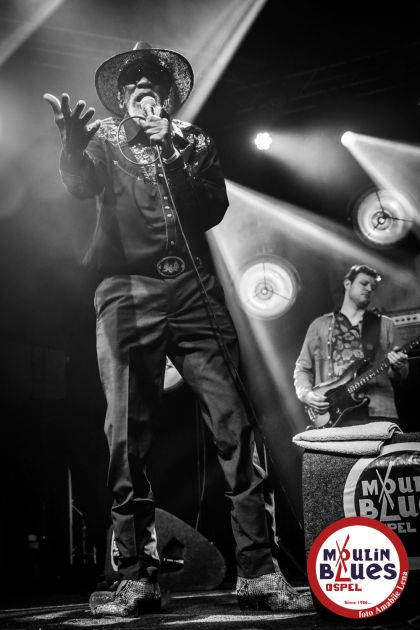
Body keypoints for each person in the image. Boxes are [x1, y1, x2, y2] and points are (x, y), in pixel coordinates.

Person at [44, 42, 313, 617]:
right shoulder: (103, 139)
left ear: (166, 96)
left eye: (153, 81)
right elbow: (82, 184)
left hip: (193, 291)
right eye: (133, 82)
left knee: (235, 424)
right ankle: (136, 576)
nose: (143, 86)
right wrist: (70, 148)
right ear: (121, 97)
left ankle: (259, 571)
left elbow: (211, 209)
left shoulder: (194, 142)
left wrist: (172, 149)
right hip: (126, 289)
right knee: (126, 431)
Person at [294, 264, 409, 428]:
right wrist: (306, 394)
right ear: (348, 283)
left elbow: (401, 377)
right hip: (331, 415)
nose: (369, 289)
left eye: (373, 287)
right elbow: (302, 368)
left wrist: (399, 366)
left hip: (378, 413)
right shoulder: (318, 326)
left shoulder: (386, 325)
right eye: (364, 283)